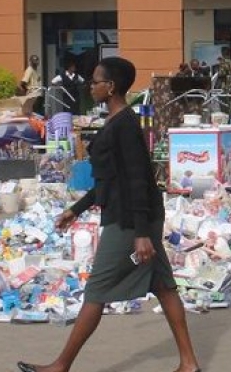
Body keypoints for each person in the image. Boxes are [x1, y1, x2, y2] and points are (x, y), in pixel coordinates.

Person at [18, 57, 201, 372]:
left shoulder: (125, 126)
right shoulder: (117, 122)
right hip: (134, 215)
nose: (91, 87)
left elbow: (137, 180)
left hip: (129, 221)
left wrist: (142, 234)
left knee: (96, 290)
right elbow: (110, 182)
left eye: (95, 81)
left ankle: (61, 366)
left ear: (111, 87)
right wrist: (75, 210)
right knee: (163, 285)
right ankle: (189, 363)